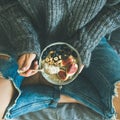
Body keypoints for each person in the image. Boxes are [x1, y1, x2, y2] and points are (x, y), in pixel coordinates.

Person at [0, 0, 120, 119]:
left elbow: (117, 8)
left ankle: (49, 91)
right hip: (19, 36)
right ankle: (75, 94)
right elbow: (6, 3)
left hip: (90, 39)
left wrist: (84, 43)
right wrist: (25, 39)